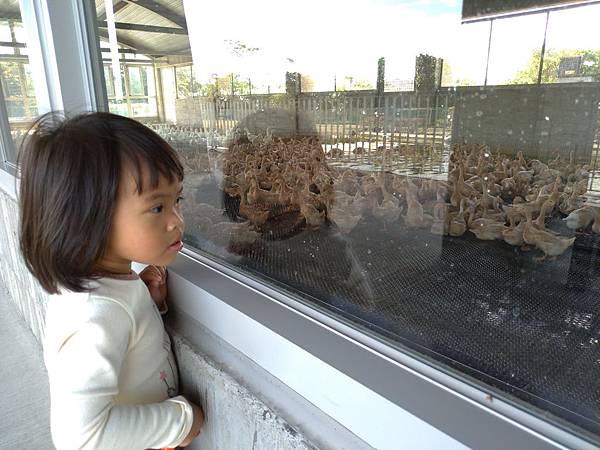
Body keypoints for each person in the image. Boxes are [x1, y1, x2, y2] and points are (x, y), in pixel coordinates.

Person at [17, 111, 204, 449]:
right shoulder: (96, 315)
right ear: (87, 218)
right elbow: (80, 437)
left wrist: (150, 304)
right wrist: (182, 421)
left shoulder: (108, 285)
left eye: (176, 200)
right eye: (157, 208)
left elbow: (128, 347)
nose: (177, 220)